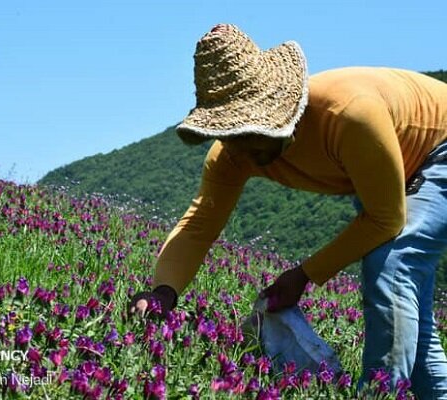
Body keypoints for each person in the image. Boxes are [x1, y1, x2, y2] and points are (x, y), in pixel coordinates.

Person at [127, 23, 447, 398]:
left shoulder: (348, 116)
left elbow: (385, 218)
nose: (246, 152)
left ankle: (377, 394)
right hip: (387, 165)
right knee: (409, 313)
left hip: (437, 145)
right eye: (232, 135)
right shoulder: (234, 153)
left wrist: (303, 275)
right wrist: (164, 291)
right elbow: (199, 224)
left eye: (253, 132)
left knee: (390, 267)